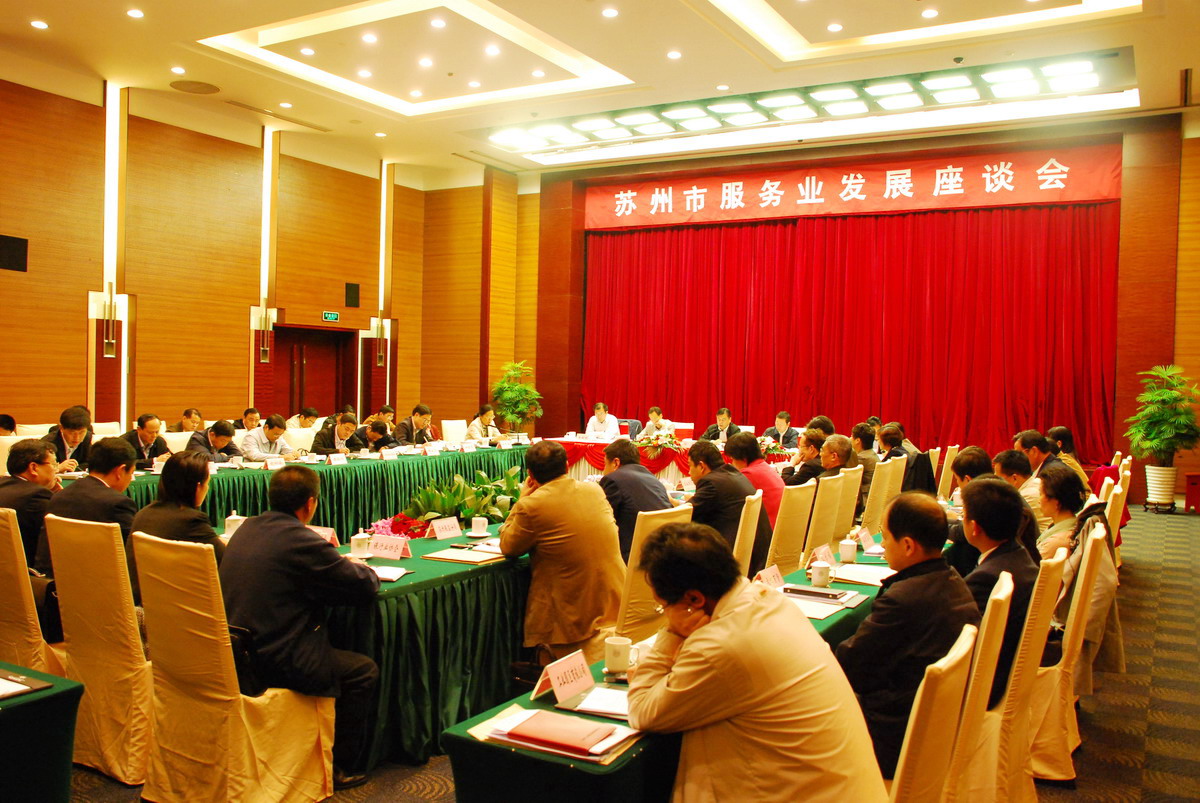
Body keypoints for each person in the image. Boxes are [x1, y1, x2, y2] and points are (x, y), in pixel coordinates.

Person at [627, 522, 888, 802]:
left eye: (664, 606)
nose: (666, 613)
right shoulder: (770, 600)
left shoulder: (719, 644)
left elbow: (643, 711)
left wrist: (671, 632)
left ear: (694, 599)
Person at [220, 466, 380, 789]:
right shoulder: (300, 539)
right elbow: (363, 585)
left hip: (234, 650)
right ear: (310, 504)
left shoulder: (248, 527)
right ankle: (339, 766)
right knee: (363, 671)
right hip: (272, 658)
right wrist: (359, 567)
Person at [835, 493, 980, 778]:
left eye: (886, 537)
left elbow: (851, 667)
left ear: (909, 546)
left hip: (890, 735)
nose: (882, 545)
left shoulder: (904, 599)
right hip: (931, 724)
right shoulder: (952, 579)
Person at [499, 440, 625, 662]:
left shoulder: (532, 504)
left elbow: (509, 546)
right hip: (615, 602)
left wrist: (521, 500)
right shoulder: (594, 490)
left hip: (572, 616)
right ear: (567, 466)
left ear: (530, 475)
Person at [960, 477, 1041, 705]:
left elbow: (961, 645)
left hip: (987, 687)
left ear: (974, 527)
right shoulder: (1019, 556)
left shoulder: (987, 578)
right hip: (1010, 671)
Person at [126, 450, 225, 604]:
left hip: (143, 602)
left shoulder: (144, 513)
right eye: (207, 483)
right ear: (198, 487)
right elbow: (226, 561)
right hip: (177, 607)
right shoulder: (191, 520)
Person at [34, 437, 138, 576]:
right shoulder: (118, 503)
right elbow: (133, 555)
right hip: (98, 583)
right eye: (131, 473)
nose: (130, 479)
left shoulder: (60, 495)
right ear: (120, 471)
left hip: (53, 580)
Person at [684, 440, 772, 576]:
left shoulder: (711, 482)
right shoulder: (732, 472)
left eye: (690, 466)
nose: (689, 472)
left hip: (731, 560)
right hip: (757, 556)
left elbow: (685, 515)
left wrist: (669, 500)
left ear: (701, 466)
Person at [599, 438, 673, 561]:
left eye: (605, 464)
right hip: (664, 552)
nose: (603, 471)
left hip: (633, 555)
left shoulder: (613, 479)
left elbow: (601, 521)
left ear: (616, 463)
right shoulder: (653, 478)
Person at [0, 439, 59, 563]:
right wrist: (58, 499)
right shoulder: (36, 497)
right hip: (28, 568)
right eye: (54, 464)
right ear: (33, 468)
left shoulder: (3, 484)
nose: (57, 470)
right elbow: (58, 535)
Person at [725, 432, 785, 527]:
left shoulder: (748, 474)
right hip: (779, 525)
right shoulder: (765, 466)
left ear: (743, 458)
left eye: (732, 459)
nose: (732, 463)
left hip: (765, 529)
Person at [1036, 464, 1089, 559]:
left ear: (1056, 502)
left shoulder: (1055, 543)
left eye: (1041, 494)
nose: (1038, 500)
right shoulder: (1072, 525)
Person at [992, 449, 1050, 531]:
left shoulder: (1026, 496)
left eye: (999, 479)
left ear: (1014, 478)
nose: (997, 483)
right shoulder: (1038, 481)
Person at [42, 405, 92, 473]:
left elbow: (89, 462)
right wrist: (57, 468)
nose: (77, 438)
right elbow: (41, 470)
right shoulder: (48, 443)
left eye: (81, 432)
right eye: (72, 433)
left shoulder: (87, 437)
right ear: (61, 428)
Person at [851, 422, 878, 509]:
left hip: (863, 500)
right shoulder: (872, 454)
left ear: (857, 440)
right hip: (872, 496)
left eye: (851, 436)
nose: (850, 439)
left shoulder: (861, 459)